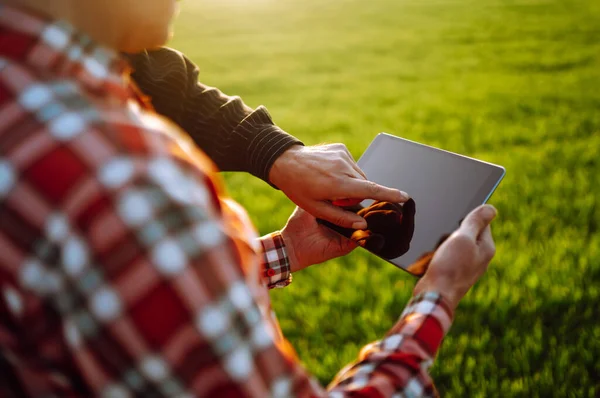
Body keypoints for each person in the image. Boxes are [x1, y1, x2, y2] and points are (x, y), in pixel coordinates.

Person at [0, 1, 498, 397]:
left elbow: (101, 297)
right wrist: (437, 300)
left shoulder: (23, 99)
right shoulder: (125, 180)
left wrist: (287, 250)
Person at [124, 47, 406, 230]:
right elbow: (214, 316)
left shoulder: (120, 86)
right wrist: (438, 290)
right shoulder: (108, 164)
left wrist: (287, 251)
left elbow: (170, 91)